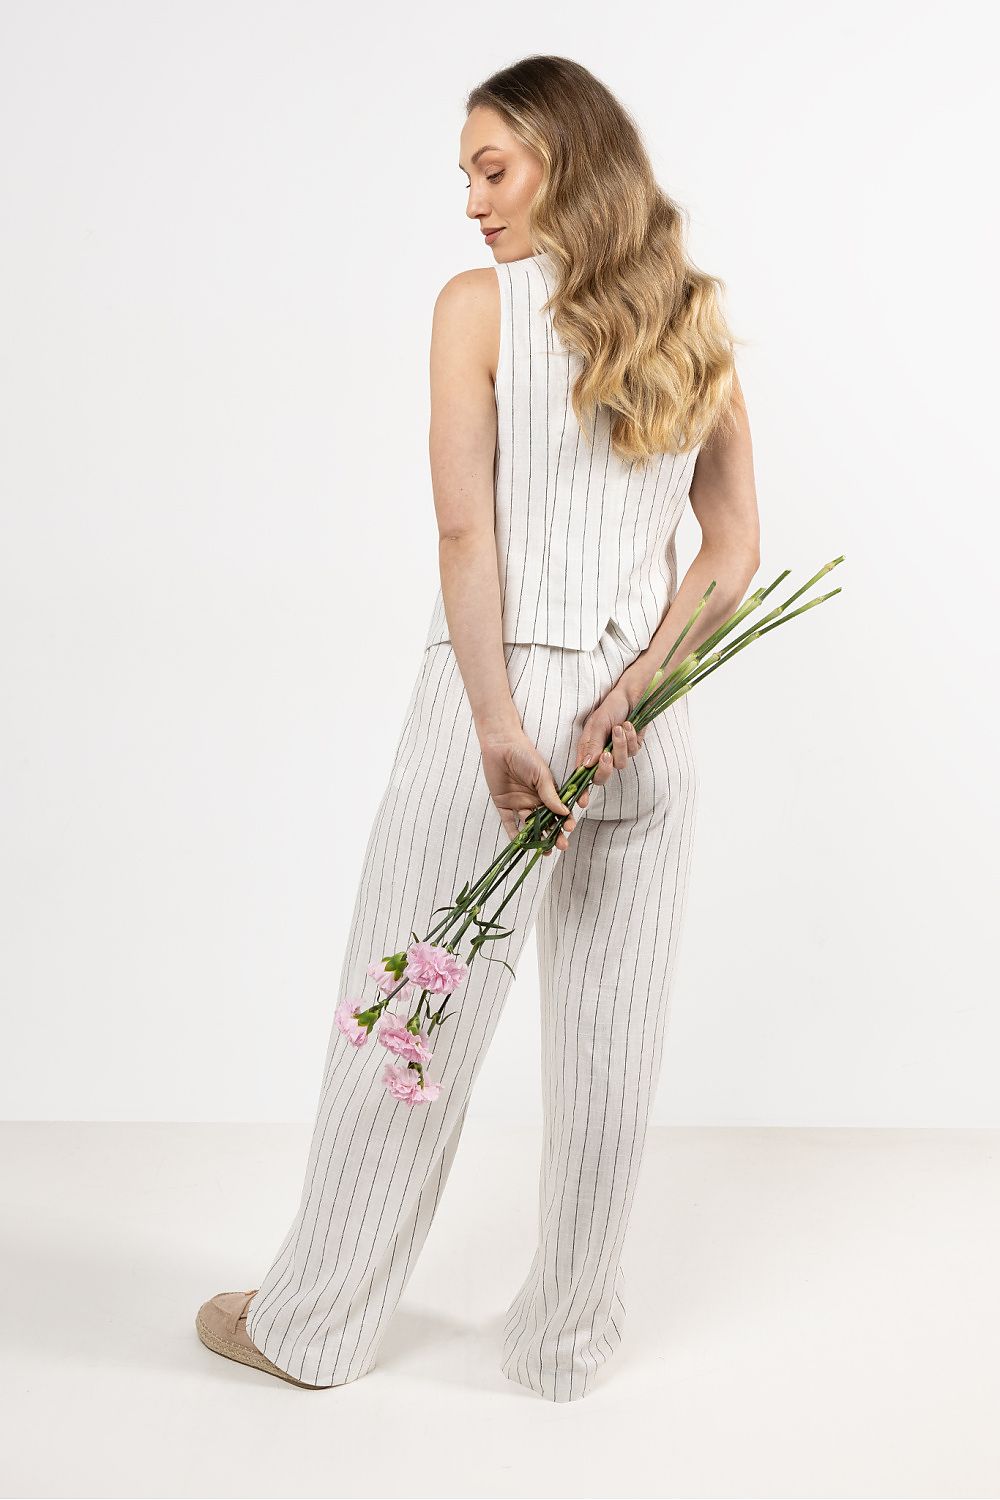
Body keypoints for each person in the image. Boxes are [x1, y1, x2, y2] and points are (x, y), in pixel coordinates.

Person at [196, 53, 759, 1403]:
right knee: (613, 1050)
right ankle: (566, 1347)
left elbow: (465, 532)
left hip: (494, 712)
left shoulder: (478, 309)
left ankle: (314, 1325)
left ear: (566, 158)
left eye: (491, 169)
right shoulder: (697, 320)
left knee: (407, 1016)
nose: (472, 202)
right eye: (465, 177)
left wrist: (502, 721)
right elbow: (733, 551)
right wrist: (635, 693)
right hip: (643, 731)